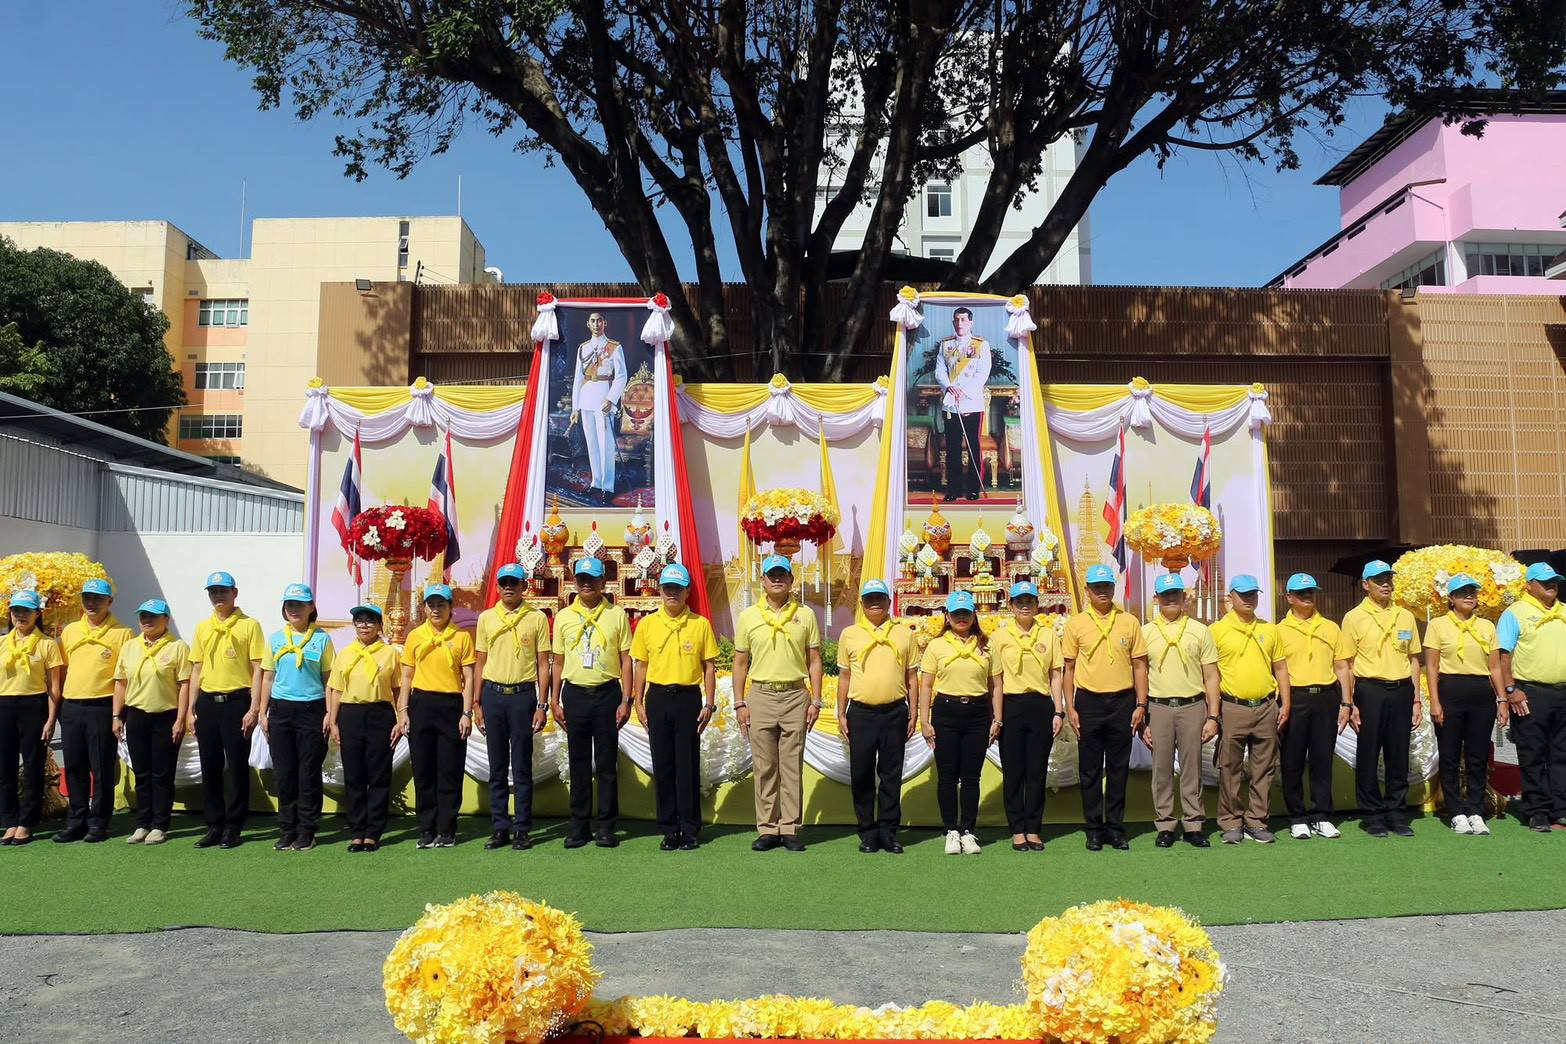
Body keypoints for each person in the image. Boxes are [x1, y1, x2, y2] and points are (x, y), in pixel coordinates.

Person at [733, 553, 823, 852]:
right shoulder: (749, 616)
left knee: (791, 764)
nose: (776, 579)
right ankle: (768, 829)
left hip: (795, 695)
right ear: (762, 580)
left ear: (791, 579)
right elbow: (740, 663)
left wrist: (816, 699)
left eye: (782, 574)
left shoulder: (805, 615)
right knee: (765, 766)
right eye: (771, 574)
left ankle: (790, 828)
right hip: (761, 696)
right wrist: (739, 703)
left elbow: (814, 660)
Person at [630, 563, 719, 851]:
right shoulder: (647, 624)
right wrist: (638, 701)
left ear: (687, 591)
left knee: (687, 764)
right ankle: (669, 828)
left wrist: (709, 703)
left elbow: (709, 666)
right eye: (668, 588)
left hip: (688, 699)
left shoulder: (700, 624)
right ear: (660, 590)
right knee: (664, 764)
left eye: (678, 589)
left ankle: (690, 828)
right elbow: (640, 665)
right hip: (657, 697)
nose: (672, 594)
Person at [1062, 564, 1148, 851]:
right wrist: (1070, 707)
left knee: (1118, 767)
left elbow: (1140, 665)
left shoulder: (1129, 622)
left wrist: (1141, 703)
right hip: (1089, 702)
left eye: (1107, 586)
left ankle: (1115, 827)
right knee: (1089, 769)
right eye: (1097, 587)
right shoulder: (1076, 624)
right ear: (1087, 590)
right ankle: (1094, 829)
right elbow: (1068, 668)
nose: (1102, 591)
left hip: (1122, 701)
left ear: (1114, 588)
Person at [1335, 559, 1423, 838]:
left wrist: (1416, 699)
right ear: (1365, 585)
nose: (1385, 584)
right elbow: (1346, 663)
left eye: (1388, 579)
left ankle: (1396, 812)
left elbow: (1414, 658)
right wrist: (1350, 702)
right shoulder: (1353, 617)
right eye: (1379, 580)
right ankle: (1372, 814)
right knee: (1369, 752)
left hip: (1401, 690)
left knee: (1399, 753)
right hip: (1369, 690)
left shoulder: (1405, 616)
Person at [550, 557, 632, 848]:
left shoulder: (616, 614)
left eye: (592, 579)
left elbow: (626, 660)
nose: (586, 584)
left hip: (607, 694)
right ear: (574, 581)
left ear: (603, 582)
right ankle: (579, 826)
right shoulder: (564, 616)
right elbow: (558, 662)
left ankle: (607, 826)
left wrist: (626, 699)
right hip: (575, 694)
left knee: (607, 763)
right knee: (579, 762)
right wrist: (554, 699)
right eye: (581, 578)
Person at [836, 578, 917, 854]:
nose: (875, 603)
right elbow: (844, 676)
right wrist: (841, 712)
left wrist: (914, 711)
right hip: (861, 713)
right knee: (862, 774)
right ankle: (867, 831)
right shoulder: (850, 634)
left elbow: (912, 677)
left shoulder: (904, 634)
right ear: (861, 604)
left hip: (895, 712)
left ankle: (888, 831)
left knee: (891, 774)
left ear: (889, 602)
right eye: (869, 598)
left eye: (879, 598)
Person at [474, 563, 552, 851]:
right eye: (504, 583)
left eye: (514, 583)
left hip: (522, 696)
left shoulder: (536, 617)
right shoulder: (486, 618)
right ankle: (499, 827)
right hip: (493, 695)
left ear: (524, 586)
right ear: (497, 587)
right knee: (497, 766)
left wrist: (542, 703)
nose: (509, 587)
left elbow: (543, 663)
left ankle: (522, 828)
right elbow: (480, 662)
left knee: (521, 765)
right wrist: (476, 702)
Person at [188, 570, 266, 849]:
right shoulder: (203, 627)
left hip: (237, 703)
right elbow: (196, 669)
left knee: (236, 767)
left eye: (223, 590)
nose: (218, 595)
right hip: (208, 703)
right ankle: (214, 825)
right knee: (209, 766)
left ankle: (234, 826)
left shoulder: (249, 625)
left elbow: (258, 669)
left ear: (235, 593)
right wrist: (190, 709)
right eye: (213, 591)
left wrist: (254, 708)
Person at [1141, 574, 1219, 848]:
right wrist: (1142, 719)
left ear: (1184, 597)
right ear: (1157, 598)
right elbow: (1139, 675)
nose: (1171, 598)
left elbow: (1211, 676)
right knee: (1161, 769)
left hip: (1192, 706)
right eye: (1165, 594)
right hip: (1159, 707)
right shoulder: (1145, 632)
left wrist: (1213, 716)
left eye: (1175, 593)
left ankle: (1193, 824)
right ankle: (1165, 824)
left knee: (1192, 768)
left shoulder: (1200, 630)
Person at [1211, 575, 1290, 844]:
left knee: (1264, 767)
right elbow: (1210, 675)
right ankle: (1231, 821)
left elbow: (1280, 668)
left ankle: (1257, 820)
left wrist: (1285, 703)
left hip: (1266, 705)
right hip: (1233, 706)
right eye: (1243, 594)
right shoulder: (1217, 631)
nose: (1248, 599)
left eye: (1253, 594)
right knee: (1229, 767)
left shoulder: (1270, 629)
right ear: (1230, 597)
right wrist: (1214, 712)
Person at [395, 583, 476, 849]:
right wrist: (403, 711)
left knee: (450, 769)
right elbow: (406, 677)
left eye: (442, 604)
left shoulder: (461, 637)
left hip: (451, 705)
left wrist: (466, 713)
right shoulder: (415, 636)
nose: (436, 609)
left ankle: (447, 829)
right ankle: (427, 829)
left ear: (451, 607)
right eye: (431, 604)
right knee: (423, 769)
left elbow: (468, 678)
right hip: (421, 704)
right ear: (424, 608)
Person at [56, 578, 134, 843]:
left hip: (103, 706)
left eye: (98, 598)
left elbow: (124, 677)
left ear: (109, 601)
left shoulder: (123, 633)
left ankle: (99, 822)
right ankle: (76, 821)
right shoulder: (70, 631)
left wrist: (118, 713)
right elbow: (63, 670)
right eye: (87, 598)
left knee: (101, 768)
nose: (91, 603)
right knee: (74, 766)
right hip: (72, 705)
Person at [920, 590, 998, 854]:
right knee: (947, 776)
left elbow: (995, 685)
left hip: (977, 713)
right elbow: (926, 685)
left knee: (971, 777)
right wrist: (924, 720)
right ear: (947, 616)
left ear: (974, 614)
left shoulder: (986, 645)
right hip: (946, 711)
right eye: (956, 614)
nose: (961, 618)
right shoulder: (937, 646)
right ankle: (951, 830)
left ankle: (968, 831)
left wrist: (996, 719)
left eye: (965, 613)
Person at [1424, 574, 1503, 835]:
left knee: (1477, 756)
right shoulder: (1438, 625)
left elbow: (1495, 667)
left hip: (1481, 692)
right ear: (1451, 598)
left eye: (1472, 592)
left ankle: (1476, 810)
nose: (1469, 596)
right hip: (1450, 690)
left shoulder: (1487, 626)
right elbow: (1432, 666)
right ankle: (1456, 811)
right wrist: (1435, 701)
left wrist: (1502, 698)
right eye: (1462, 592)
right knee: (1449, 755)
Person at [259, 583, 335, 852]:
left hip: (312, 711)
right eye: (290, 605)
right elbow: (268, 678)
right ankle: (287, 828)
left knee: (308, 773)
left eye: (300, 605)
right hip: (280, 710)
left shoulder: (322, 639)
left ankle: (307, 830)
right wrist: (262, 712)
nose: (294, 609)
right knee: (284, 773)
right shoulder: (275, 639)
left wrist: (330, 713)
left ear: (311, 607)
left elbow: (329, 680)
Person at [990, 579, 1064, 852]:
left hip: (1040, 705)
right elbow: (996, 681)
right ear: (1011, 605)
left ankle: (1033, 828)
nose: (1024, 606)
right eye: (1019, 602)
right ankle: (1017, 829)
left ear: (1037, 605)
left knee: (1036, 771)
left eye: (1029, 601)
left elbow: (1055, 675)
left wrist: (1058, 710)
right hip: (1012, 705)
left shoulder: (1048, 635)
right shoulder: (1000, 637)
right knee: (1014, 771)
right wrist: (997, 717)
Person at [112, 599, 190, 846]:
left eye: (153, 616)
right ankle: (142, 823)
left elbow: (185, 685)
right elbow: (120, 683)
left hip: (166, 716)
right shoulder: (130, 646)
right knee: (142, 772)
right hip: (136, 715)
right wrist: (116, 716)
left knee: (162, 773)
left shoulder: (178, 647)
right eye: (143, 616)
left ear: (166, 619)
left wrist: (181, 719)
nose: (147, 621)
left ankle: (160, 825)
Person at [1497, 561, 1566, 833]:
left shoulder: (1564, 611)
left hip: (1563, 692)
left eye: (1554, 580)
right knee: (1533, 753)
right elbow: (1503, 655)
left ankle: (1560, 810)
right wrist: (1510, 690)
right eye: (1544, 581)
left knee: (1562, 753)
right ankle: (1537, 811)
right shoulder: (1515, 613)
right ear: (1529, 585)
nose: (1551, 585)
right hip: (1530, 692)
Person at [325, 601, 400, 853]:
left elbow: (398, 689)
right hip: (350, 715)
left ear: (379, 625)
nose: (364, 625)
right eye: (359, 620)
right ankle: (357, 831)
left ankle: (373, 832)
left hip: (380, 714)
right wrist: (333, 721)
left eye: (370, 620)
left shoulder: (390, 653)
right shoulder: (346, 653)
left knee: (379, 775)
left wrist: (400, 719)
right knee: (354, 775)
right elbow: (336, 690)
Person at [1276, 573, 1344, 840]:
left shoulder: (1331, 627)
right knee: (1292, 759)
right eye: (1301, 593)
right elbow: (1276, 669)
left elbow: (1342, 666)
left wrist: (1347, 701)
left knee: (1322, 758)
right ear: (1289, 597)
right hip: (1295, 697)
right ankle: (1297, 817)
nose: (1307, 596)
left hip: (1326, 696)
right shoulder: (1279, 630)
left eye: (1311, 592)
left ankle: (1321, 815)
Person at [0, 591, 63, 846]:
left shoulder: (47, 644)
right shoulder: (2, 642)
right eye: (16, 610)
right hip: (4, 706)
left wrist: (51, 720)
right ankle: (9, 820)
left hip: (34, 706)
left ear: (37, 614)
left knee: (33, 765)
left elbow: (54, 688)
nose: (21, 615)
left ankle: (27, 822)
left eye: (26, 610)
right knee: (4, 767)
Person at [569, 311, 628, 503]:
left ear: (605, 323)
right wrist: (575, 407)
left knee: (606, 445)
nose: (596, 324)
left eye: (599, 320)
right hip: (586, 397)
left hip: (604, 397)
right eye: (593, 321)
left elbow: (621, 376)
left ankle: (607, 486)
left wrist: (611, 399)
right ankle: (596, 482)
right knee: (592, 443)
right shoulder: (583, 348)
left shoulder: (614, 347)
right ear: (588, 324)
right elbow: (578, 378)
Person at [933, 307, 991, 501]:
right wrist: (949, 387)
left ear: (971, 322)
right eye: (957, 320)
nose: (960, 323)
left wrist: (963, 393)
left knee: (973, 446)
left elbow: (982, 373)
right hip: (950, 404)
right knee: (953, 448)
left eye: (964, 319)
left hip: (972, 403)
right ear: (953, 322)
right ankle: (954, 489)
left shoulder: (981, 345)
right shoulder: (945, 345)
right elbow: (940, 371)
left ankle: (973, 489)